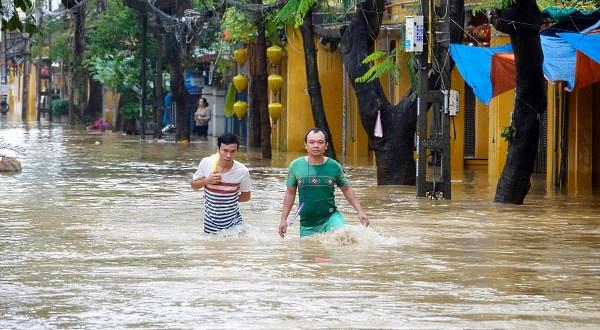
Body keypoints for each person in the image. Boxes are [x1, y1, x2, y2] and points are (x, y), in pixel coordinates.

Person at [279, 128, 369, 238]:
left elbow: (347, 189)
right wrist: (283, 220)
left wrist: (360, 211)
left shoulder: (334, 166)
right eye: (311, 142)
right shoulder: (295, 166)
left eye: (320, 142)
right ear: (305, 145)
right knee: (311, 252)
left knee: (344, 236)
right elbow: (290, 193)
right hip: (308, 224)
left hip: (331, 217)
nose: (316, 145)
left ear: (326, 145)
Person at [191, 133, 251, 234]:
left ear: (237, 151)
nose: (228, 155)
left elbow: (246, 197)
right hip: (210, 224)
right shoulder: (206, 163)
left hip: (235, 224)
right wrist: (207, 181)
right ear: (218, 149)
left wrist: (227, 200)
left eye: (232, 151)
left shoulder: (242, 171)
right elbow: (193, 185)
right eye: (225, 150)